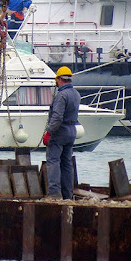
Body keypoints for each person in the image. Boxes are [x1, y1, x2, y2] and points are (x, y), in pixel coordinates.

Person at [42, 66, 80, 200]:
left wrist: (49, 133)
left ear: (58, 79)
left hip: (60, 132)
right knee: (66, 163)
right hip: (72, 131)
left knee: (53, 161)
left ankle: (54, 194)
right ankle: (67, 195)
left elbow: (57, 117)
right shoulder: (76, 94)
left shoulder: (61, 95)